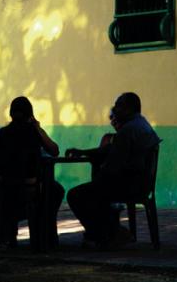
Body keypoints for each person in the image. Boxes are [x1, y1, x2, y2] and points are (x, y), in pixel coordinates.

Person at [66, 92, 159, 248]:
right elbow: (109, 150)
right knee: (95, 190)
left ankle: (109, 233)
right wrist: (84, 152)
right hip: (140, 183)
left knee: (76, 195)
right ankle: (108, 233)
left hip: (128, 185)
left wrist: (98, 176)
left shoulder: (128, 130)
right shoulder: (141, 125)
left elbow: (113, 166)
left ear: (129, 108)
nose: (115, 110)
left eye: (119, 106)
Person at [0, 96, 64, 247]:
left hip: (4, 189)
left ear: (10, 114)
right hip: (30, 190)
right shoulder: (35, 134)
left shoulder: (0, 134)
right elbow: (54, 151)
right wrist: (38, 128)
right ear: (31, 115)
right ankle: (44, 236)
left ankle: (8, 237)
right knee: (54, 190)